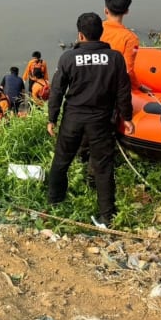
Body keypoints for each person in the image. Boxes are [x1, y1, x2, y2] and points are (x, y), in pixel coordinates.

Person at [46, 13, 134, 227]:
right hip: (101, 119)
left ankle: (54, 202)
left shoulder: (68, 57)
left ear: (80, 34)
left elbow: (57, 90)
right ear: (101, 33)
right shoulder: (114, 58)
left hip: (73, 118)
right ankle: (107, 215)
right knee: (104, 167)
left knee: (61, 161)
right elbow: (123, 91)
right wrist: (127, 117)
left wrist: (52, 118)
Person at [99, 0, 140, 87]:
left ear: (105, 10)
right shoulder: (132, 39)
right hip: (112, 85)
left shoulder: (94, 29)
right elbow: (128, 70)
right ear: (126, 11)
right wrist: (138, 86)